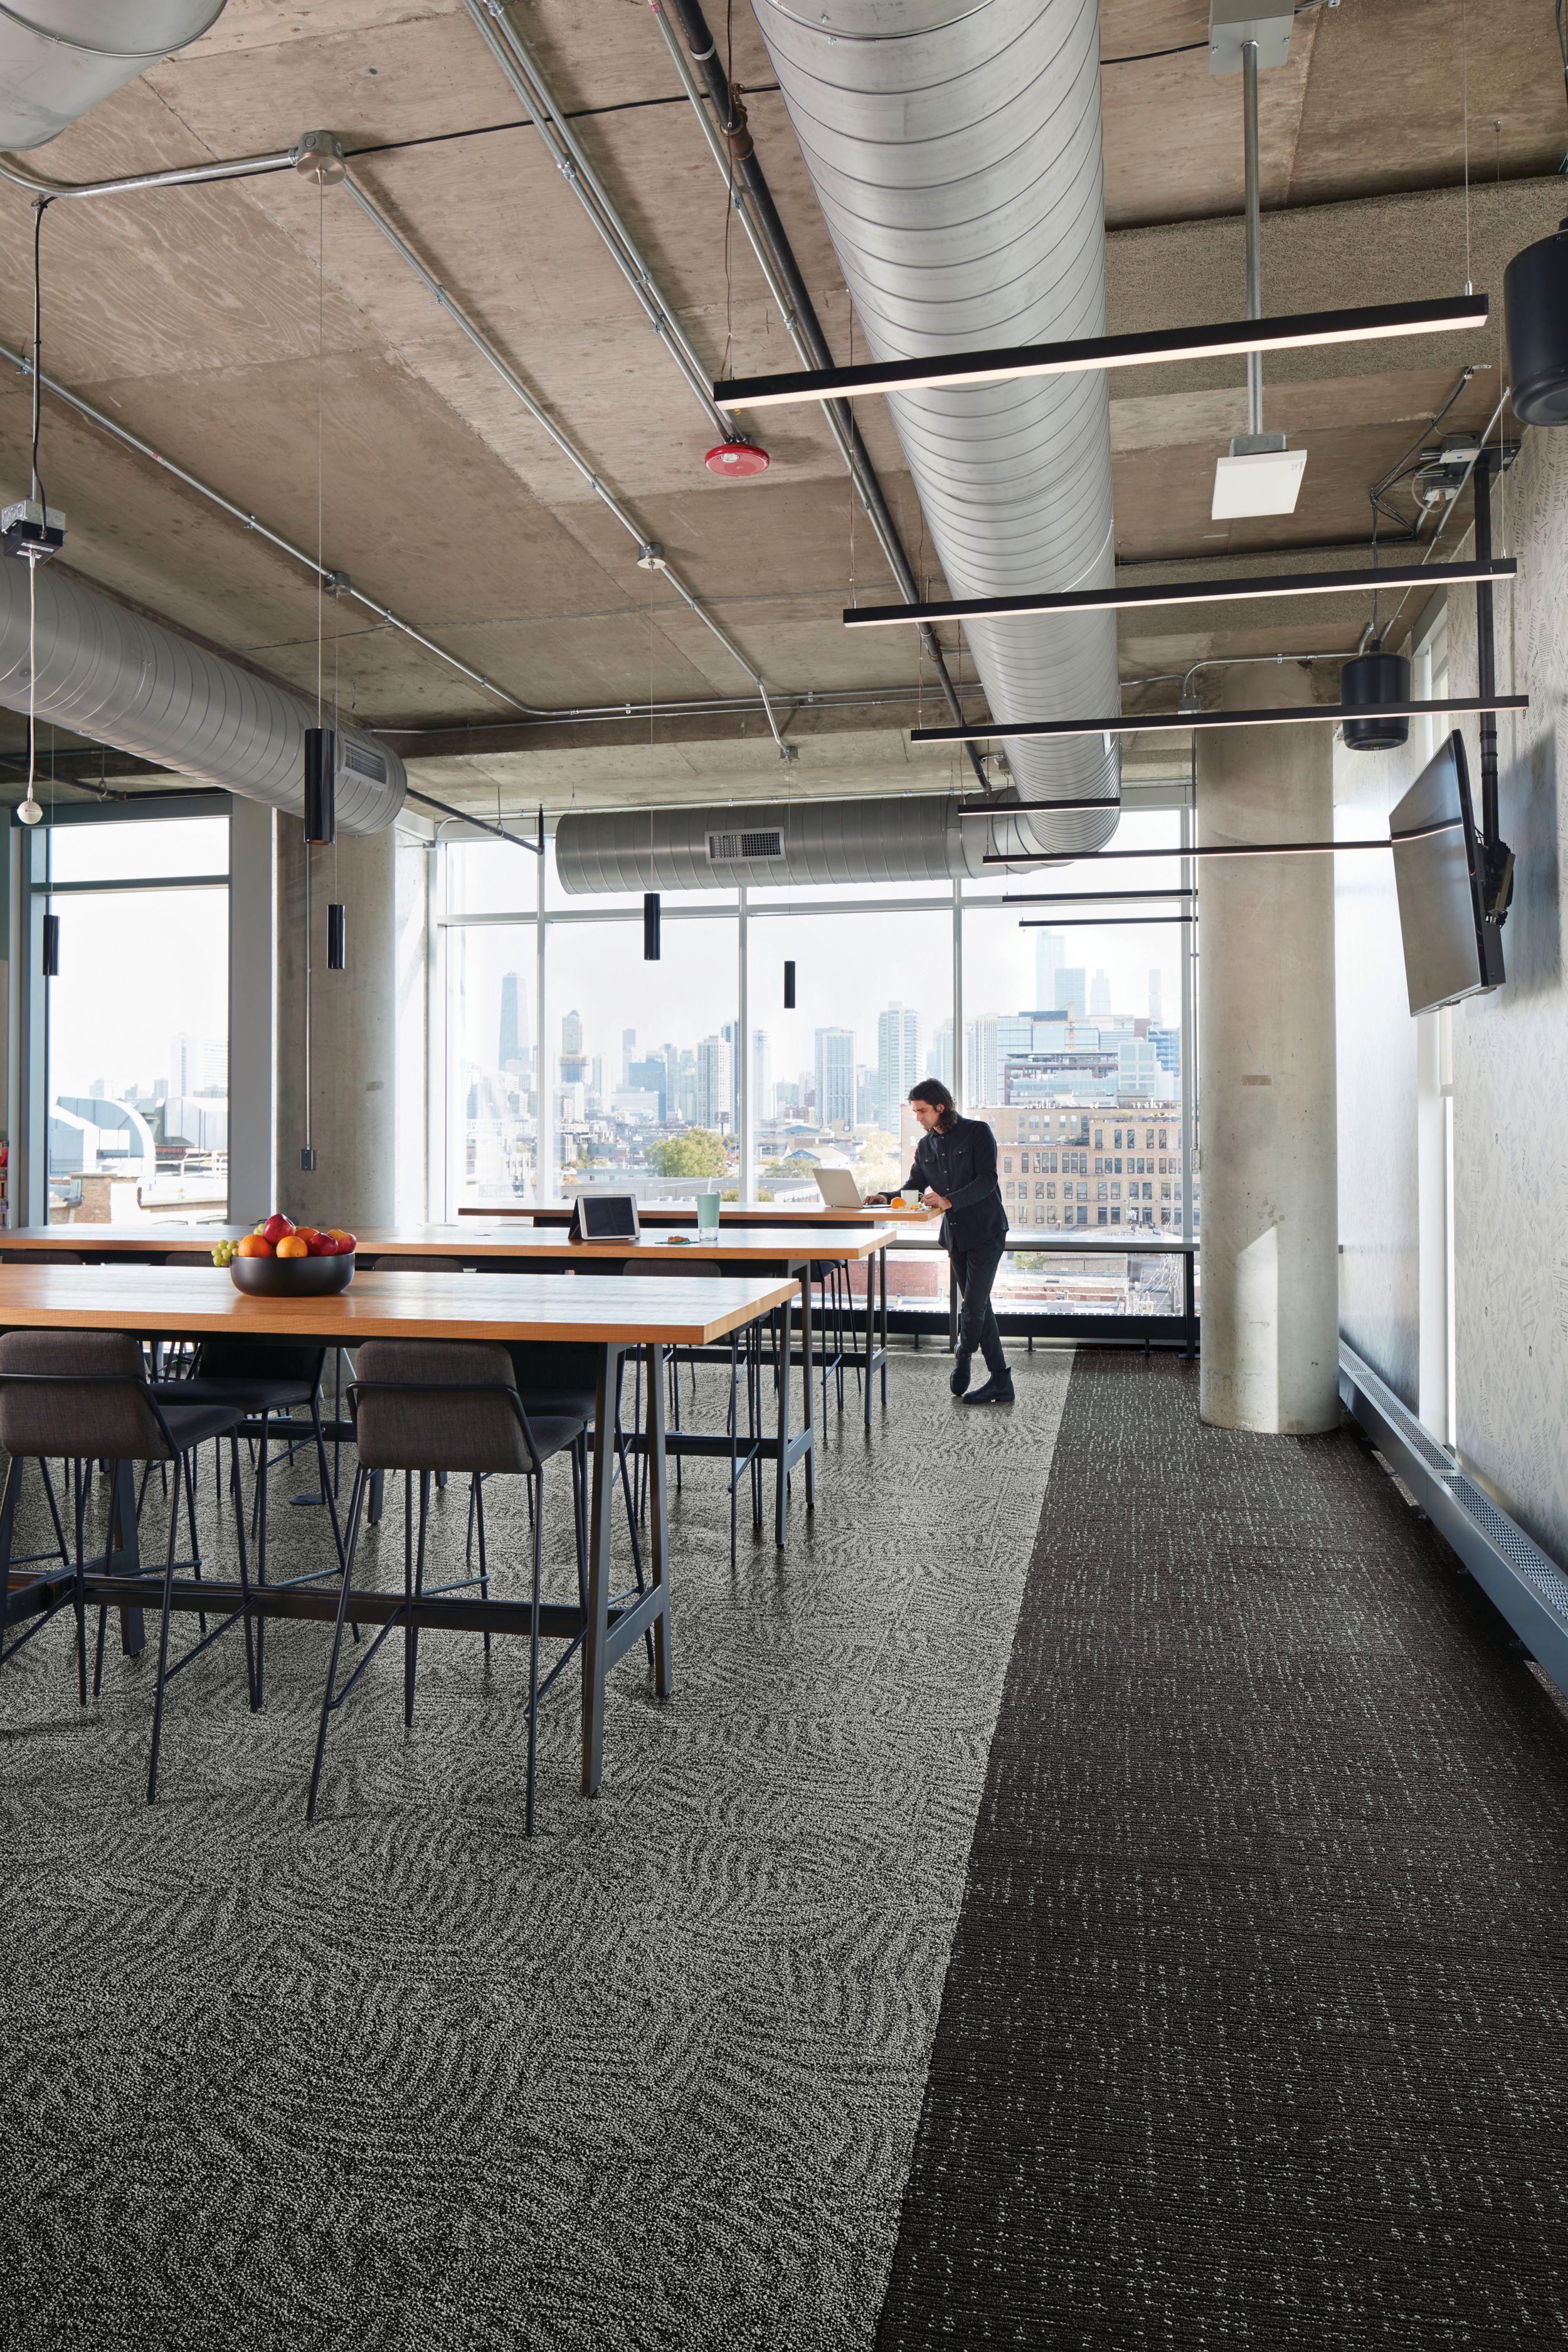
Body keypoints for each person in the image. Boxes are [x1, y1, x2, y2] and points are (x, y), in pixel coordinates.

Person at [870, 1078, 1012, 1406]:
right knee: (980, 1307)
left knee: (973, 1308)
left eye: (922, 1112)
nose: (918, 1118)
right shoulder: (926, 1147)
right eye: (915, 1112)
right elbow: (916, 1186)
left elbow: (987, 1181)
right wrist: (885, 1197)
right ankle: (1001, 1381)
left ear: (940, 1107)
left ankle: (962, 1359)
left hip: (987, 1231)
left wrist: (948, 1201)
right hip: (956, 1237)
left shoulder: (978, 1132)